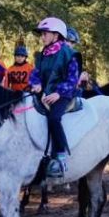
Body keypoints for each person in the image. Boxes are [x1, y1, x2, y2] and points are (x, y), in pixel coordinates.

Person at [29, 17, 80, 178]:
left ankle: (60, 155)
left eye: (45, 34)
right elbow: (35, 73)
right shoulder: (42, 54)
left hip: (63, 94)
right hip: (44, 93)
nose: (42, 37)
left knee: (53, 118)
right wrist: (36, 84)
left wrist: (58, 93)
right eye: (41, 34)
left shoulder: (70, 54)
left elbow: (72, 80)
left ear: (56, 35)